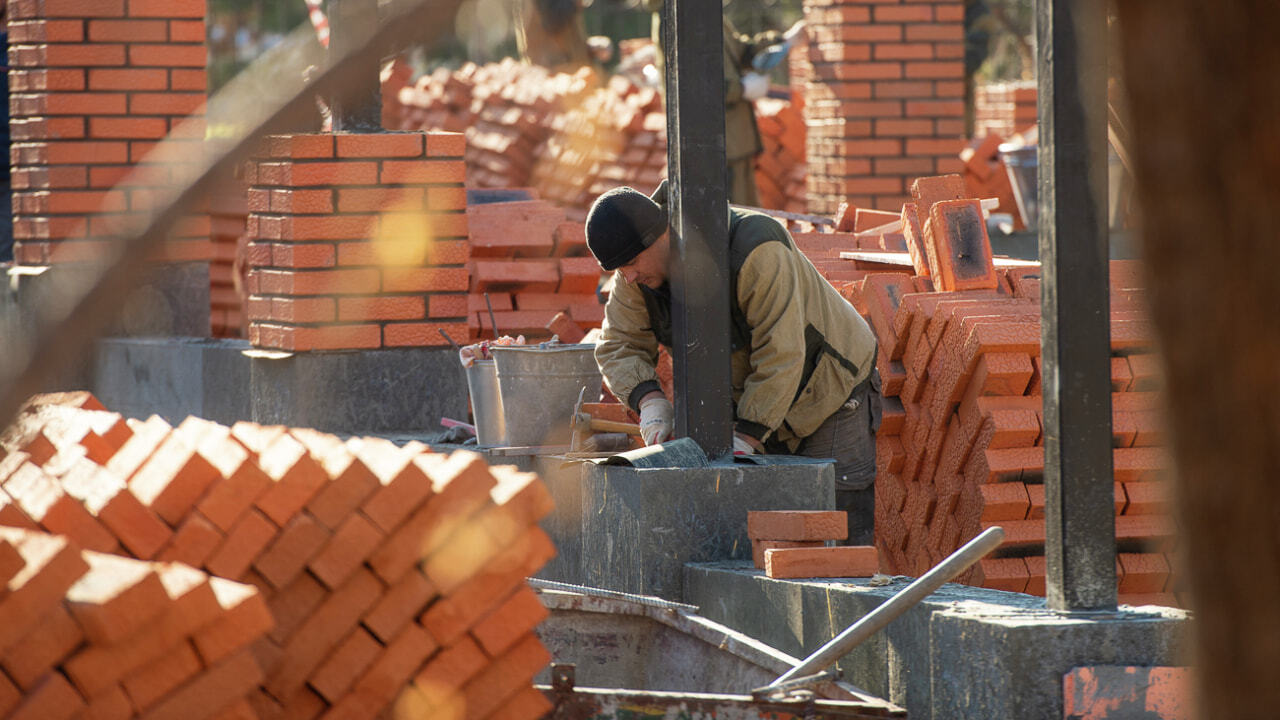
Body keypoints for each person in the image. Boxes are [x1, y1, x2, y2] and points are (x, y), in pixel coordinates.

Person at [585, 181, 882, 544]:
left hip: (829, 387)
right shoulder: (634, 274)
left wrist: (747, 436)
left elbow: (782, 353)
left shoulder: (757, 247)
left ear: (658, 237)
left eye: (631, 264)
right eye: (620, 270)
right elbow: (618, 343)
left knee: (834, 525)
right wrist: (649, 402)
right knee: (766, 531)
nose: (628, 276)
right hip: (759, 394)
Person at [644, 2, 783, 206]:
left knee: (744, 220)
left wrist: (781, 42)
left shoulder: (701, 8)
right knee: (733, 226)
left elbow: (738, 50)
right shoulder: (679, 13)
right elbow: (692, 85)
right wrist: (741, 88)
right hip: (714, 147)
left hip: (733, 141)